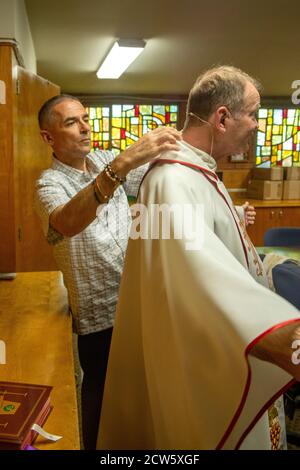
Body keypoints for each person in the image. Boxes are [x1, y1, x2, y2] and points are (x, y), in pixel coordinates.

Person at [97, 66, 300, 450]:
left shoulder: (197, 170)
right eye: (253, 114)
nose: (257, 125)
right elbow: (202, 278)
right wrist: (289, 342)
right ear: (222, 118)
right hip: (204, 356)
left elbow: (201, 240)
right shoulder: (173, 177)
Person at [34, 94, 182, 449]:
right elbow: (67, 222)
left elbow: (152, 182)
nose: (85, 128)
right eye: (71, 122)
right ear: (47, 137)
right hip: (99, 320)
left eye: (85, 118)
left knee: (141, 399)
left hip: (137, 302)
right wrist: (120, 165)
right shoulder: (48, 184)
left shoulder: (102, 160)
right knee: (100, 406)